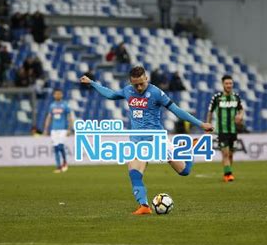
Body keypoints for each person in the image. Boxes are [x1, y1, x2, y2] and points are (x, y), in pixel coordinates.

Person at [80, 66, 213, 215]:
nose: (138, 87)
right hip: (138, 142)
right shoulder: (128, 91)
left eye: (141, 83)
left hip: (157, 139)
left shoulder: (156, 93)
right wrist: (92, 83)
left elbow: (177, 111)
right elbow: (110, 94)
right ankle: (144, 206)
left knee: (184, 171)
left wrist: (201, 124)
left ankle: (188, 151)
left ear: (146, 78)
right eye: (135, 84)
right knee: (134, 173)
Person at [206, 75, 244, 182]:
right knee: (225, 153)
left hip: (233, 130)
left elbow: (241, 110)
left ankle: (227, 172)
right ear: (223, 84)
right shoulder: (217, 97)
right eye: (227, 83)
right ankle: (228, 175)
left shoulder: (236, 97)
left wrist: (240, 116)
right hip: (222, 130)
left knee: (231, 154)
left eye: (230, 83)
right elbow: (210, 112)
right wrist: (208, 127)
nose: (229, 85)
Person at [43, 89, 73, 173]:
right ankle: (58, 166)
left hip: (63, 129)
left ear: (62, 95)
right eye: (56, 94)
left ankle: (64, 162)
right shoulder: (52, 105)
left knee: (60, 146)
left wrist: (69, 129)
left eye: (59, 94)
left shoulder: (65, 105)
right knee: (56, 148)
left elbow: (69, 117)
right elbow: (49, 117)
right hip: (54, 129)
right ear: (54, 95)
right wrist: (46, 128)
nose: (57, 95)